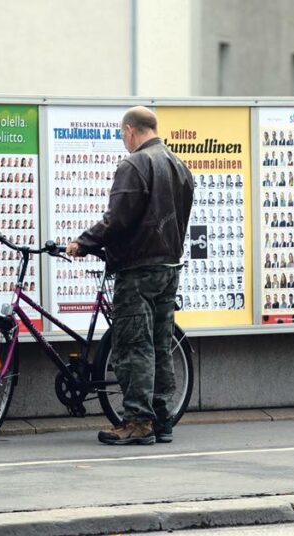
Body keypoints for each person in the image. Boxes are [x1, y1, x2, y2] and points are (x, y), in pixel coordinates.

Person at [66, 106, 194, 446]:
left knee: (134, 346)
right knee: (159, 344)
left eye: (123, 135)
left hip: (137, 270)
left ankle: (137, 422)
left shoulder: (135, 164)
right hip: (169, 267)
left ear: (129, 130)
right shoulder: (180, 165)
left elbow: (117, 219)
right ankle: (162, 418)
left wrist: (83, 242)